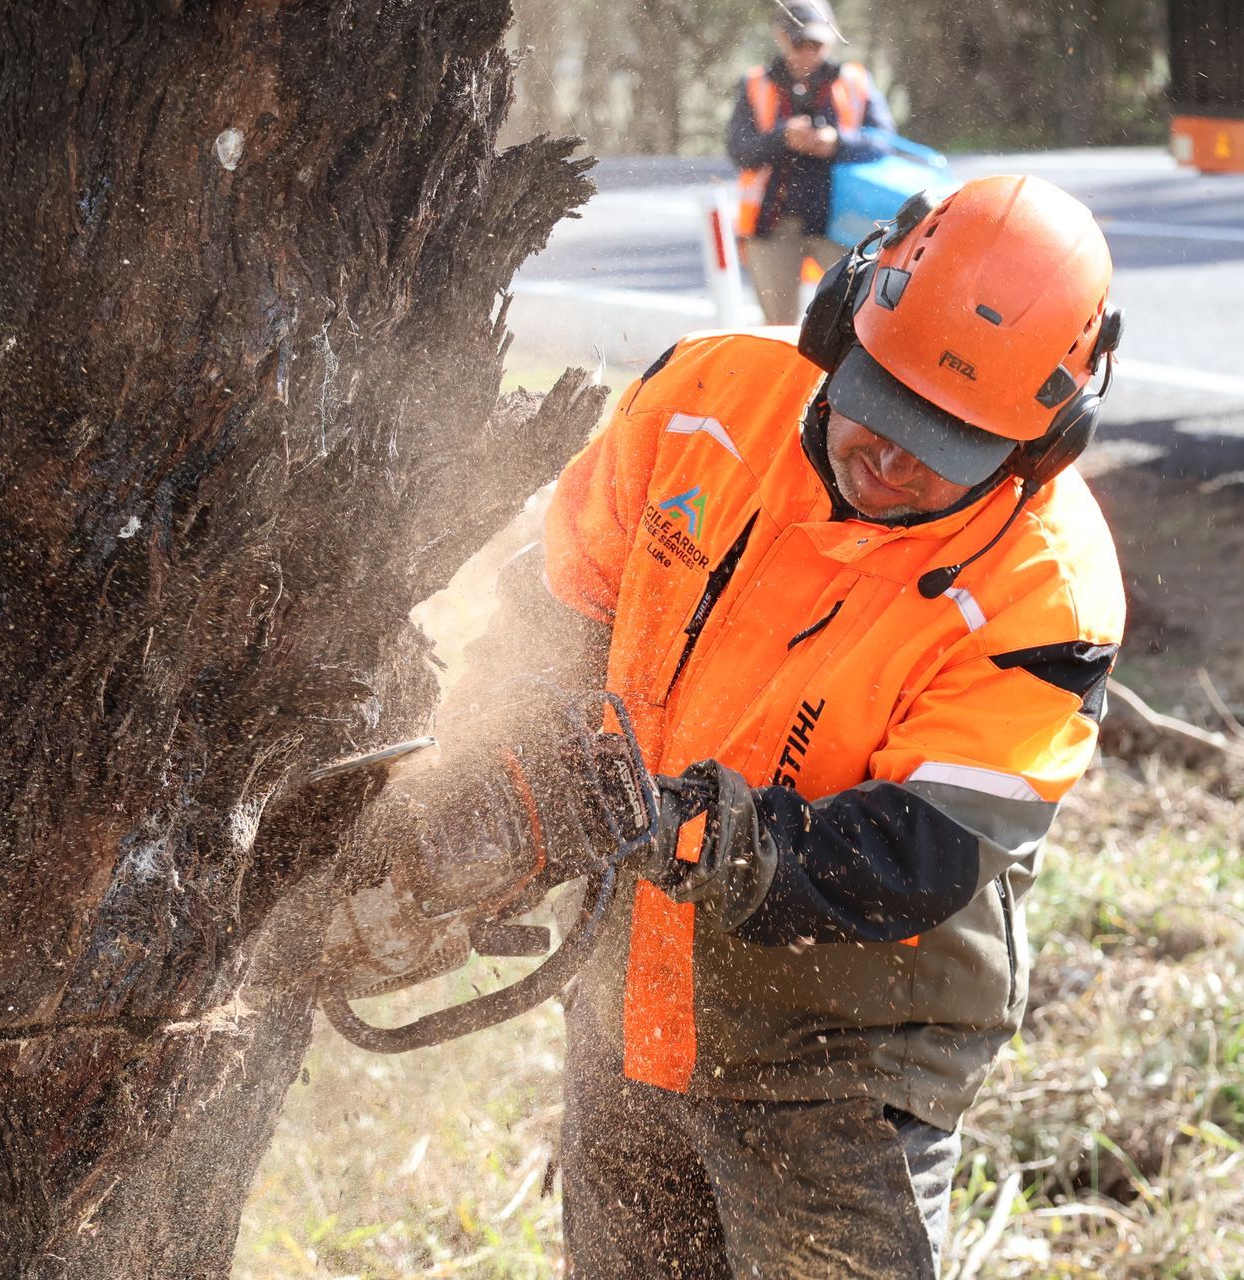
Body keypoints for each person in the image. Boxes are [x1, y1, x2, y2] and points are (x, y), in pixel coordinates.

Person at [445, 174, 1125, 1277]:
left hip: (841, 1068)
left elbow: (919, 851)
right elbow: (553, 615)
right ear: (838, 318)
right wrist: (492, 789)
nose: (892, 461)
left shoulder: (1047, 593)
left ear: (1040, 444)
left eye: (942, 444)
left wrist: (696, 834)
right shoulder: (706, 397)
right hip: (627, 1008)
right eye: (884, 408)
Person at [725, 0, 895, 325]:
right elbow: (738, 149)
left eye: (815, 43)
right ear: (781, 36)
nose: (807, 52)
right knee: (781, 329)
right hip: (774, 225)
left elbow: (884, 141)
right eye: (799, 42)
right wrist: (782, 138)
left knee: (856, 320)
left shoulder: (854, 80)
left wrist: (836, 143)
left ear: (831, 40)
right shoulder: (755, 83)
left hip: (840, 224)